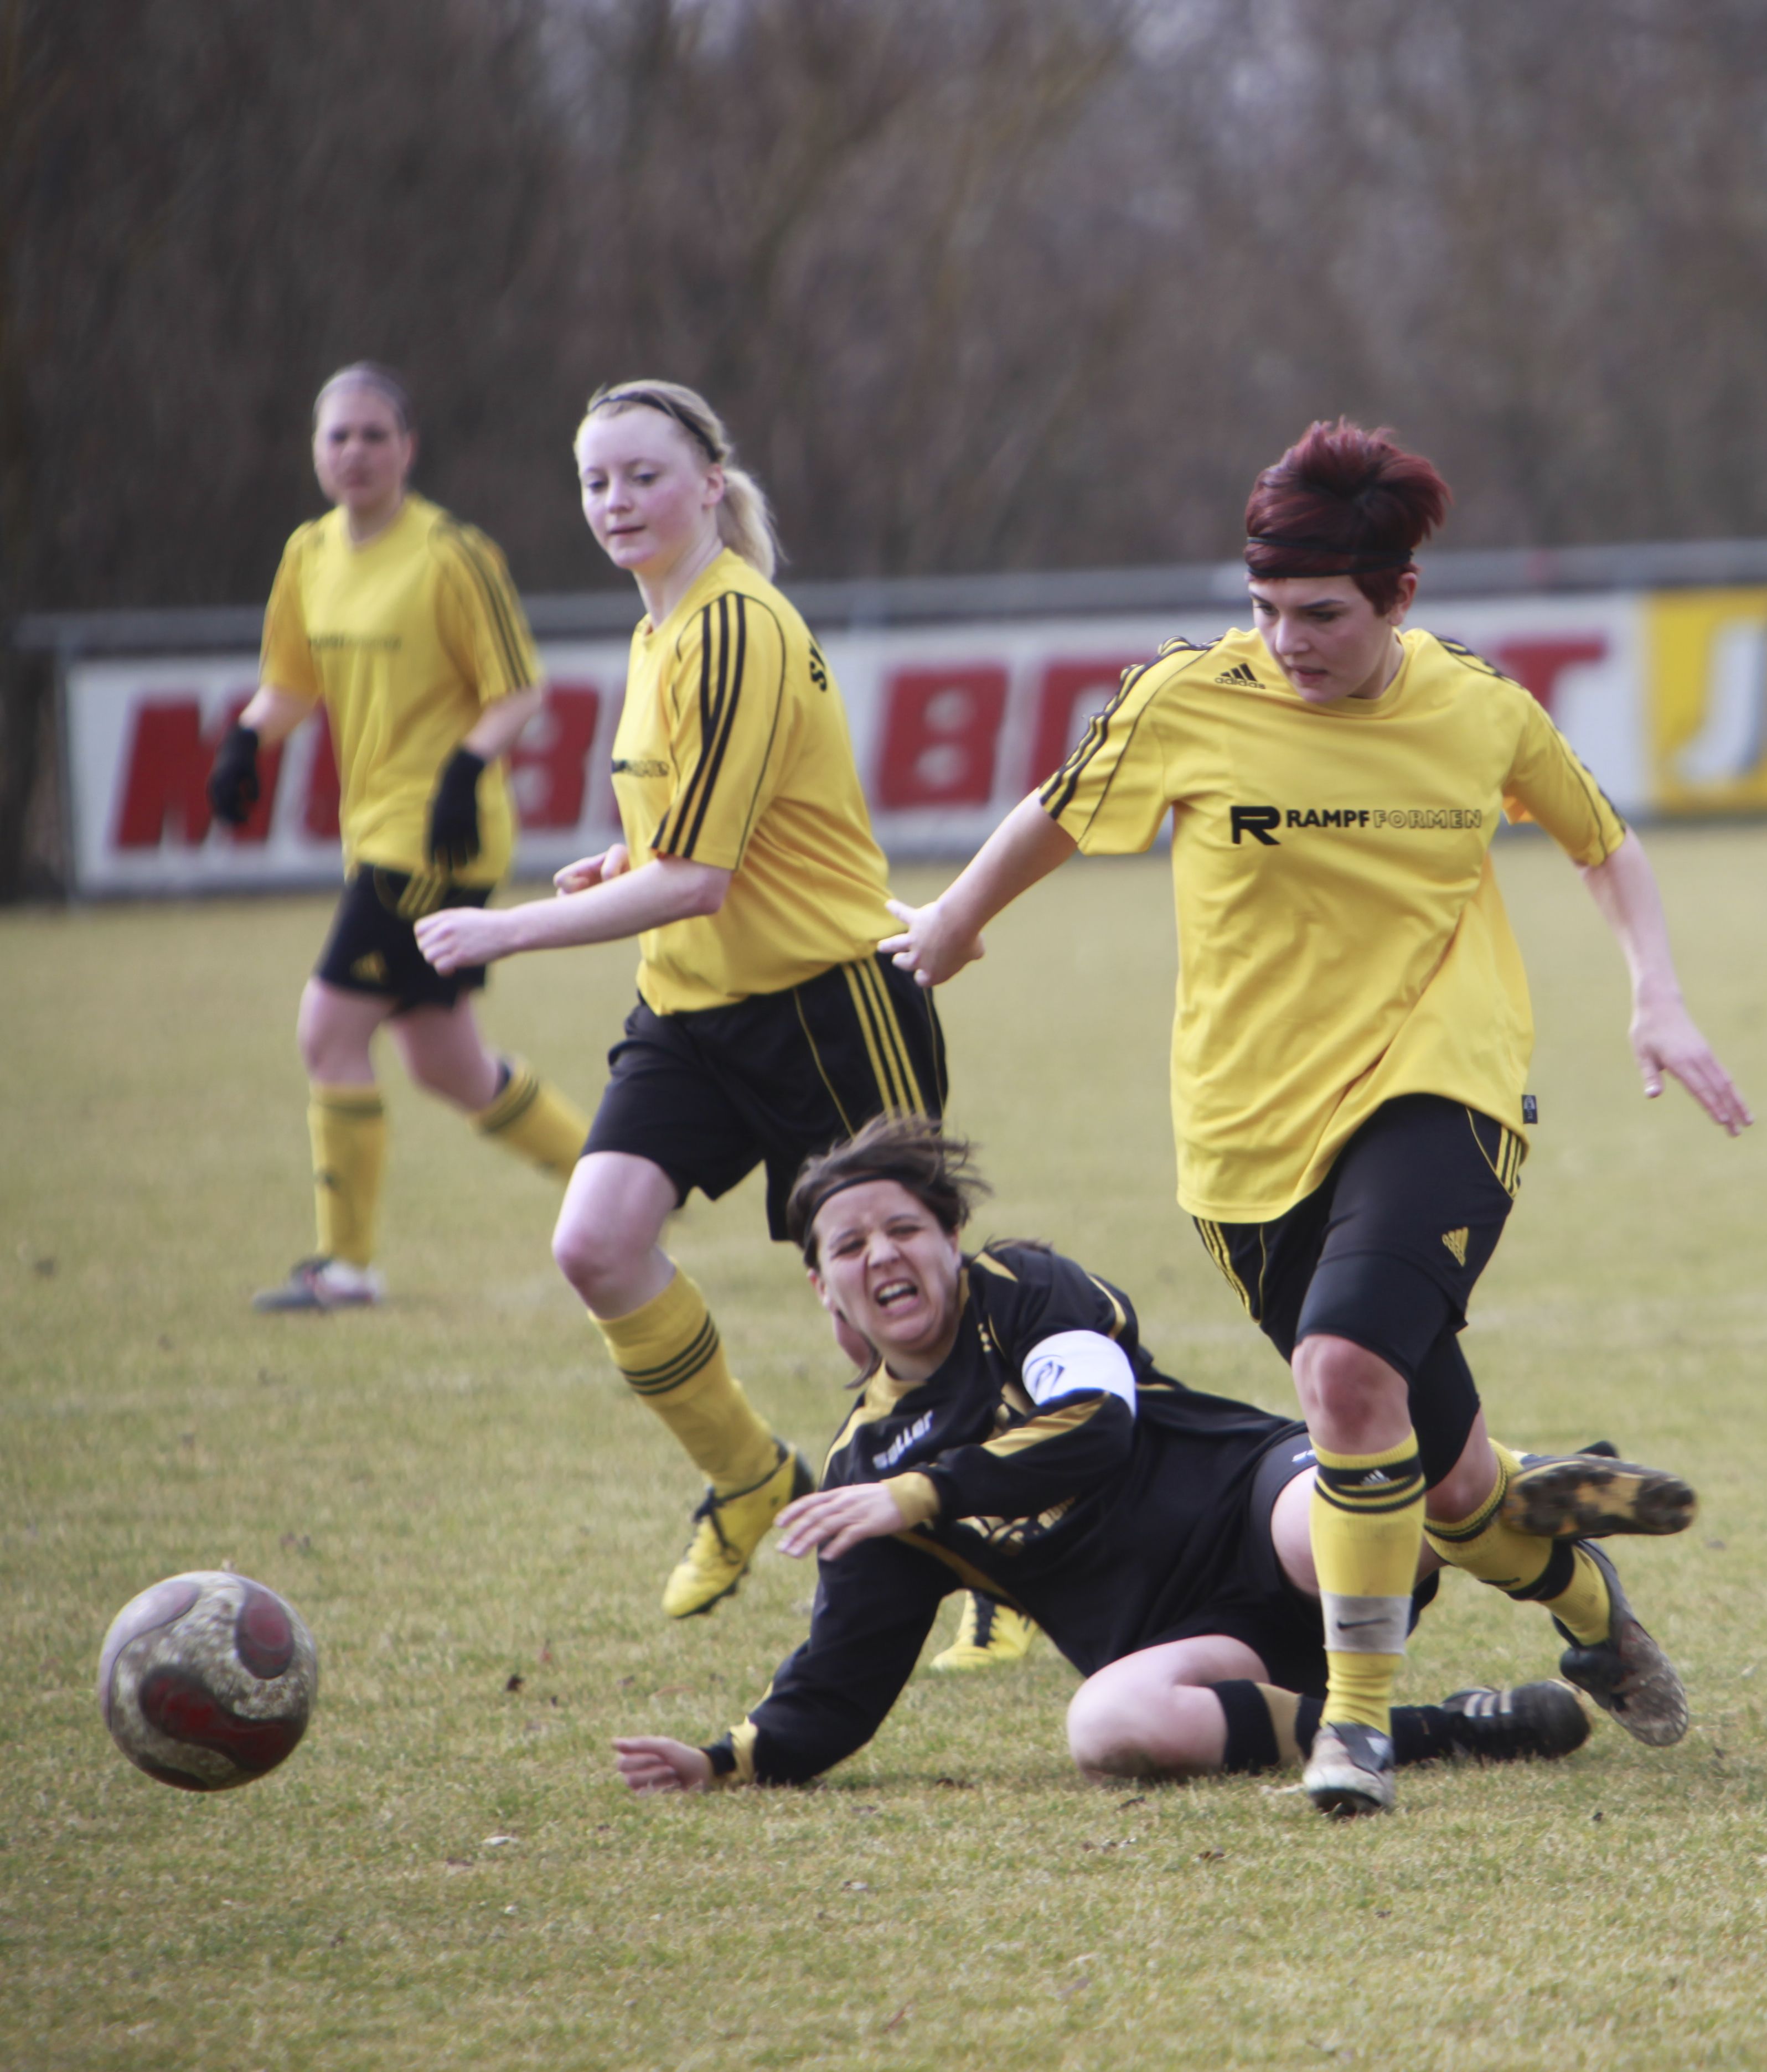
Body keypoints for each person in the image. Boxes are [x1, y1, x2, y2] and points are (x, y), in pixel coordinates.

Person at [880, 419, 1749, 1814]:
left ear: (1400, 597)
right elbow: (1059, 810)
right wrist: (957, 920)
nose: (1289, 641)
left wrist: (1659, 994)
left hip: (1442, 1086)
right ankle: (1589, 1606)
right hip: (1245, 1143)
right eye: (1267, 608)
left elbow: (1603, 840)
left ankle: (1358, 1725)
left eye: (1324, 615)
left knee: (1342, 1373)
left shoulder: (1479, 708)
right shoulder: (1187, 696)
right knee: (1448, 1490)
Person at [609, 1117, 1634, 1793]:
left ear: (952, 1238)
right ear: (822, 1287)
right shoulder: (866, 1471)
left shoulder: (1025, 1292)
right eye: (848, 1246)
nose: (882, 1254)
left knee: (1331, 1532)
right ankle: (1457, 1730)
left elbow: (1096, 1423)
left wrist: (922, 1494)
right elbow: (844, 1674)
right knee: (1107, 1729)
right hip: (1193, 1648)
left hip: (1254, 1505)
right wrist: (726, 1760)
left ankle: (1492, 1493)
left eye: (906, 1228)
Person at [417, 380, 946, 1623]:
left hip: (827, 1007)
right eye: (596, 481)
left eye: (644, 476)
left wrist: (508, 927)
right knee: (595, 1243)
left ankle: (996, 1560)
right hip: (692, 1012)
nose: (616, 502)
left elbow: (702, 878)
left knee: (886, 1321)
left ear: (711, 483)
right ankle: (751, 1481)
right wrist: (624, 858)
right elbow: (706, 835)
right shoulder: (659, 627)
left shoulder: (736, 625)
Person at [210, 363, 591, 1312]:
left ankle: (344, 1268)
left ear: (408, 448)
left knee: (328, 1029)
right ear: (315, 450)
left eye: (374, 435)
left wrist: (465, 770)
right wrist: (247, 740)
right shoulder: (308, 554)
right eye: (337, 435)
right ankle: (620, 1183)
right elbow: (291, 683)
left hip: (433, 843)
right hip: (374, 831)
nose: (355, 453)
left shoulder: (453, 554)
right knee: (446, 1064)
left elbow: (519, 690)